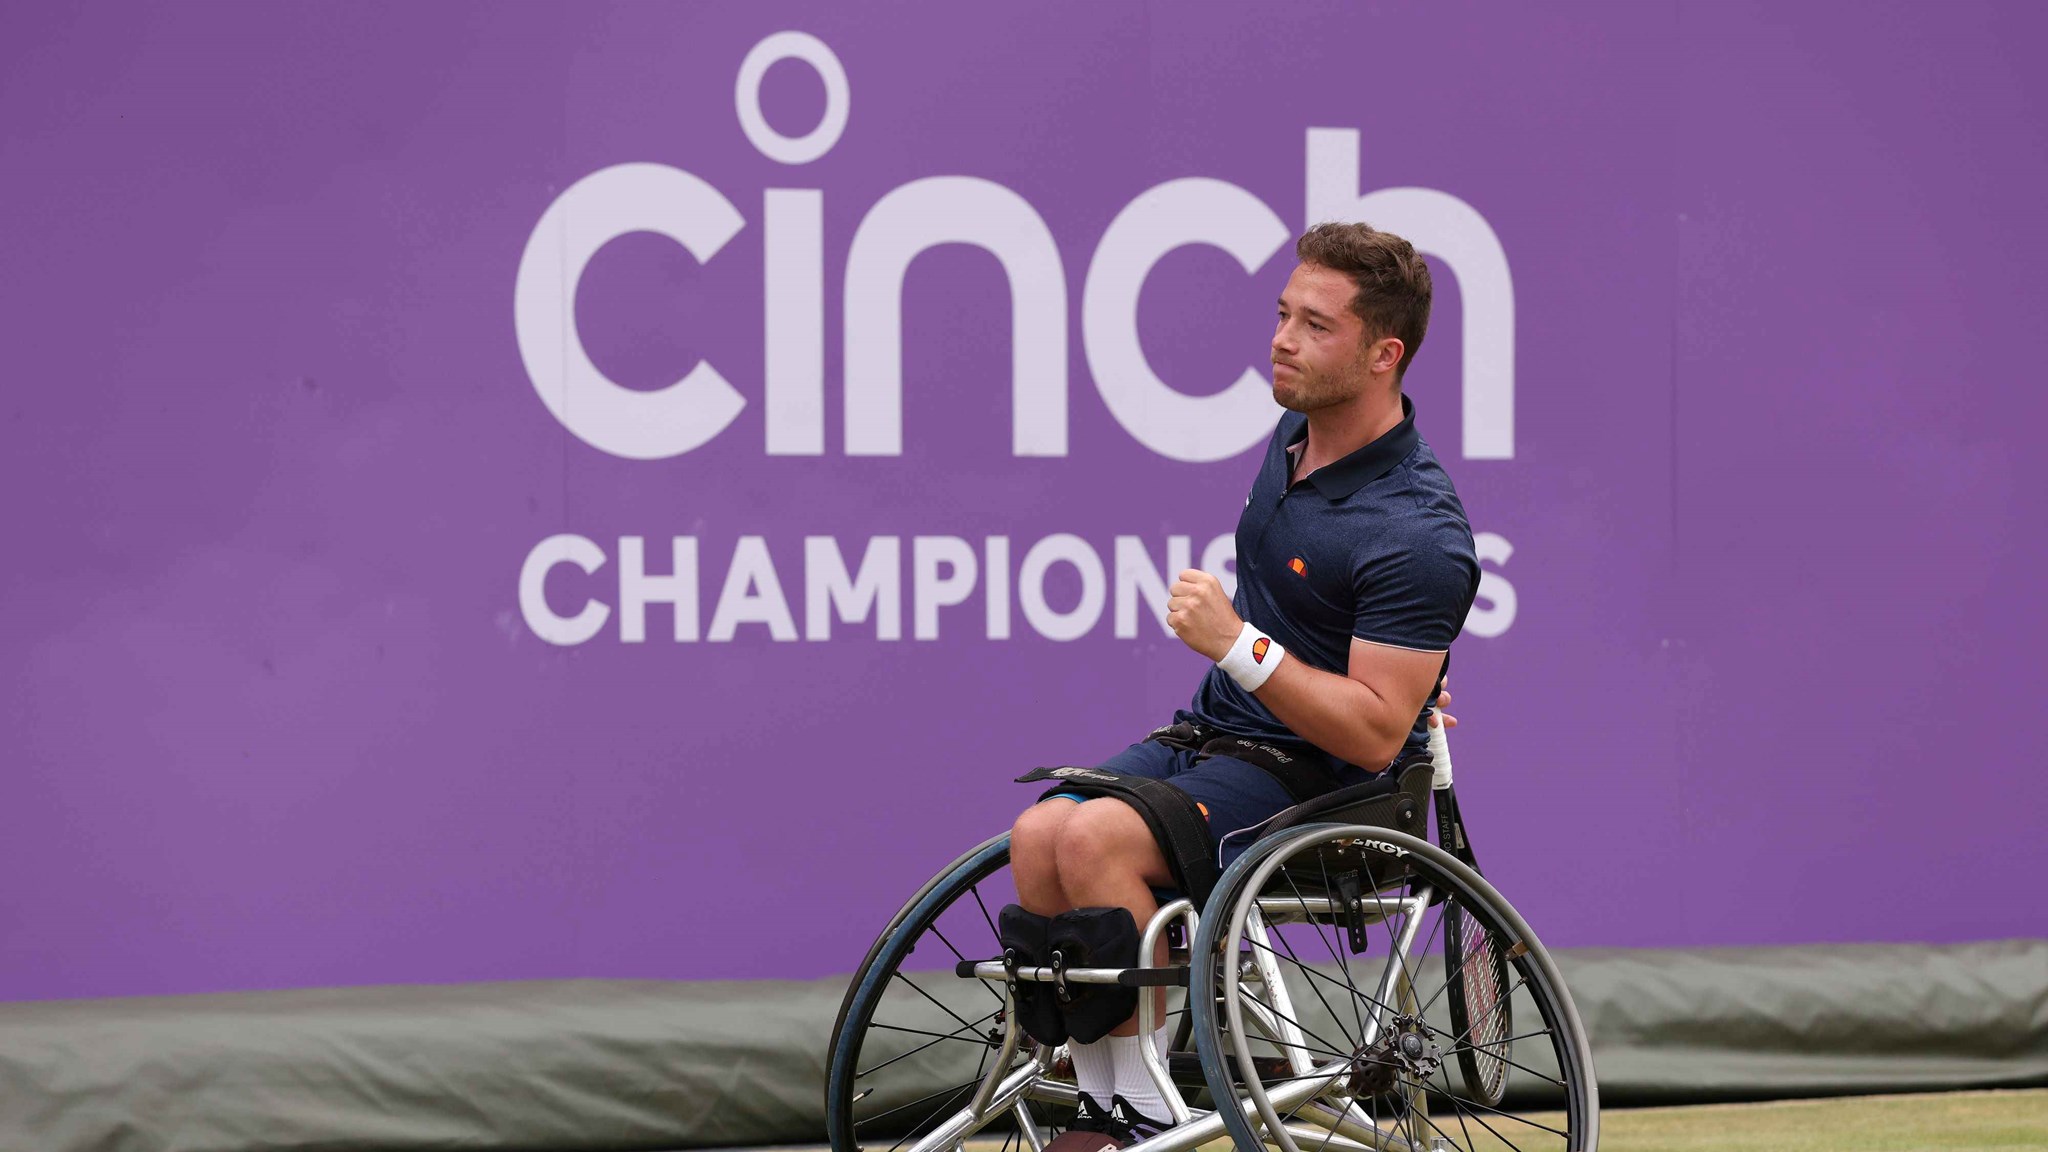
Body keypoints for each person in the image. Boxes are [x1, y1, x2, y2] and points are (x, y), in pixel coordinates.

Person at [1004, 222, 1481, 1149]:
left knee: (1095, 841)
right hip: (1217, 735)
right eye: (1282, 314)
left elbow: (1373, 734)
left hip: (1328, 782)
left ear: (1384, 355)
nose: (1282, 340)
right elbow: (1343, 634)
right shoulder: (1296, 435)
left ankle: (1137, 1114)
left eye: (1316, 325)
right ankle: (1103, 1100)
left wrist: (1239, 646)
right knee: (1039, 833)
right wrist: (1385, 675)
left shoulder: (1418, 531)